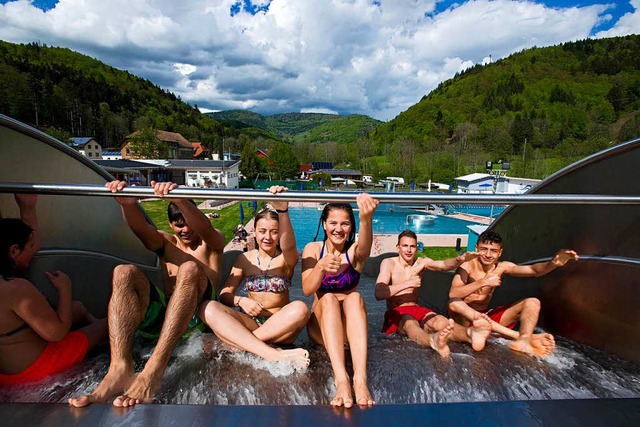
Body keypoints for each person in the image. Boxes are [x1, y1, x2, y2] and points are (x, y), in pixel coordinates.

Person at [69, 180, 226, 407]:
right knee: (123, 272)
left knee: (190, 268)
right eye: (178, 224)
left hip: (197, 317)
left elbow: (206, 229)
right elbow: (143, 232)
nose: (185, 230)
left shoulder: (211, 244)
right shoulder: (166, 242)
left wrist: (179, 199)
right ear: (171, 224)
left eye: (188, 223)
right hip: (166, 319)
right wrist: (128, 205)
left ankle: (153, 370)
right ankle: (119, 368)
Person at [0, 194, 107, 386]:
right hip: (39, 367)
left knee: (78, 308)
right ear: (14, 251)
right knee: (113, 320)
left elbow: (28, 239)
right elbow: (56, 334)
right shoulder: (16, 289)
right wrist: (65, 289)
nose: (35, 251)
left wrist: (28, 209)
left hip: (7, 372)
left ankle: (90, 325)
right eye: (31, 247)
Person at [199, 186, 310, 368]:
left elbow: (289, 247)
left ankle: (240, 344)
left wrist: (283, 209)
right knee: (207, 308)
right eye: (262, 231)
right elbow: (226, 294)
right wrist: (241, 301)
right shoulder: (244, 259)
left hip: (280, 326)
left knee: (301, 308)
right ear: (255, 232)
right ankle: (272, 353)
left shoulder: (285, 258)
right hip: (250, 323)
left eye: (274, 231)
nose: (268, 237)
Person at [301, 193, 378, 408]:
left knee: (354, 297)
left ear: (351, 227)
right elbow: (307, 289)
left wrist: (366, 219)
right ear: (324, 224)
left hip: (349, 331)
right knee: (328, 300)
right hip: (322, 328)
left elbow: (364, 248)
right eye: (333, 223)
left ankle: (360, 379)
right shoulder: (313, 249)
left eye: (345, 224)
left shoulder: (353, 251)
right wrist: (320, 267)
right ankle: (341, 379)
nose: (338, 229)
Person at [448, 230, 579, 357]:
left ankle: (524, 341)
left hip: (487, 317)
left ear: (500, 253)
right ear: (476, 248)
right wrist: (483, 282)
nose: (488, 254)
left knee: (533, 302)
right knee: (454, 303)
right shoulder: (467, 266)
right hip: (464, 320)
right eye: (484, 249)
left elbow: (534, 270)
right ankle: (517, 336)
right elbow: (454, 292)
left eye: (493, 251)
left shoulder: (501, 267)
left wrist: (553, 263)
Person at [375, 230, 492, 357]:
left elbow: (444, 265)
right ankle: (432, 341)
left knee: (439, 320)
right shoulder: (389, 263)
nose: (409, 250)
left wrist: (461, 259)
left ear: (416, 248)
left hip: (416, 308)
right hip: (397, 311)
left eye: (412, 246)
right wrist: (407, 284)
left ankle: (470, 335)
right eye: (405, 246)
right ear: (398, 247)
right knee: (409, 322)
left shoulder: (421, 262)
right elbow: (379, 293)